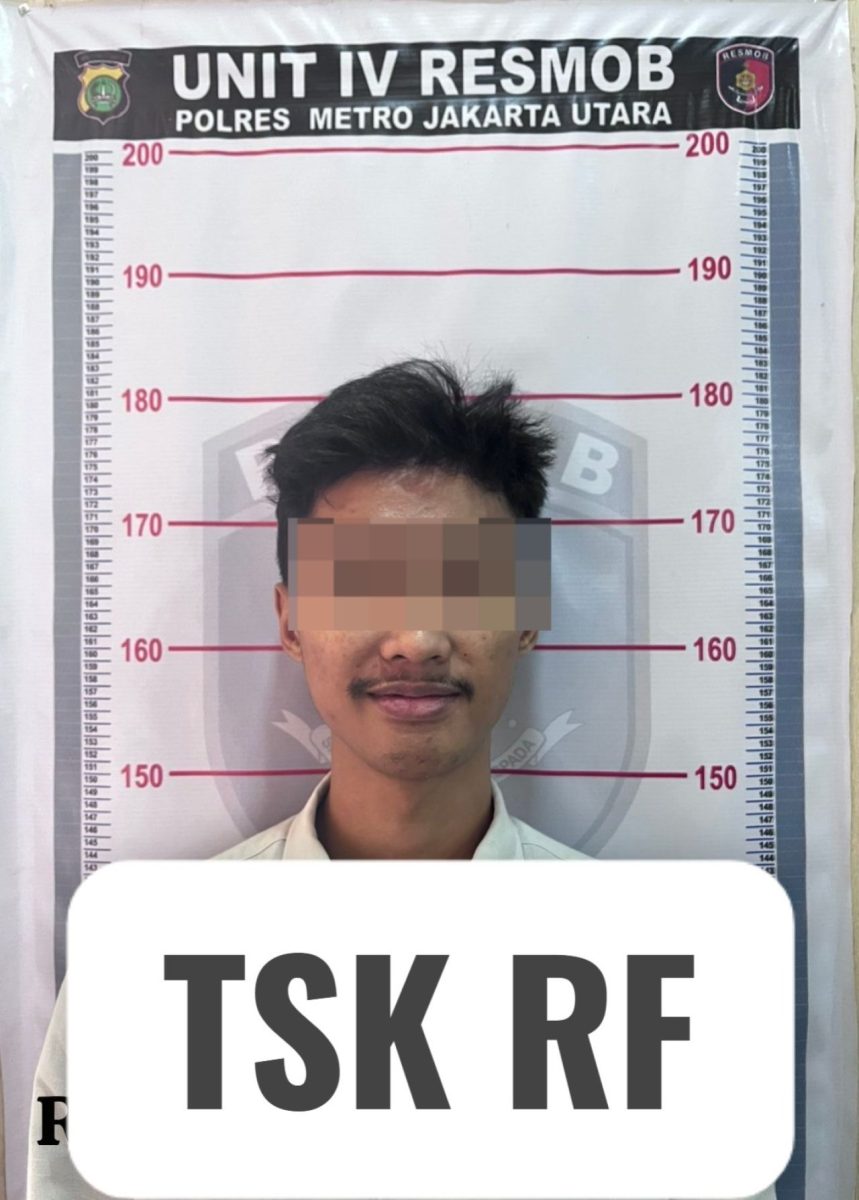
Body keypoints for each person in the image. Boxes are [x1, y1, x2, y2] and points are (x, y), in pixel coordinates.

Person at [27, 358, 776, 1200]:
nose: (416, 640)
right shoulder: (142, 978)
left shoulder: (658, 985)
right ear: (290, 620)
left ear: (527, 614)